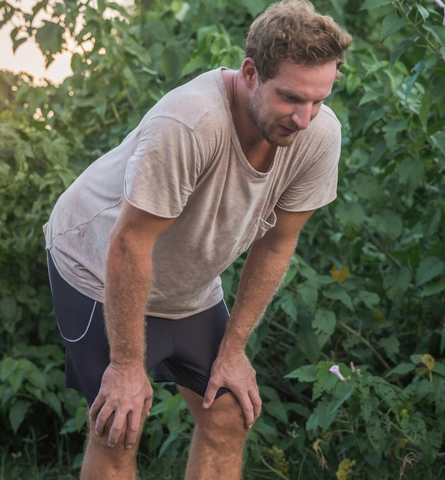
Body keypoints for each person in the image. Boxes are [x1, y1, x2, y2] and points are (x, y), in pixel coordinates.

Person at [44, 0, 352, 478]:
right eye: (291, 98)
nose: (305, 118)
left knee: (230, 414)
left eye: (319, 100)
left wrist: (233, 351)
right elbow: (129, 244)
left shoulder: (318, 136)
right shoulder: (190, 122)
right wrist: (126, 367)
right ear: (250, 72)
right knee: (119, 426)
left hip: (187, 284)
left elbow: (276, 245)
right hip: (96, 263)